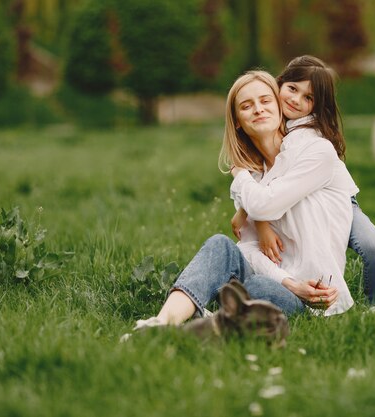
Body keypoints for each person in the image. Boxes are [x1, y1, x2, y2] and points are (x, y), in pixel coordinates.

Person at [131, 69, 357, 330]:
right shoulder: (253, 177)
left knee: (257, 286)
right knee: (221, 246)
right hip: (285, 284)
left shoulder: (315, 151)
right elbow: (248, 249)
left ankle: (208, 319)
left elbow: (264, 205)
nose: (258, 109)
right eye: (246, 106)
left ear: (280, 107)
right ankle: (160, 325)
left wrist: (238, 173)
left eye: (265, 101)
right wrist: (287, 281)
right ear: (238, 121)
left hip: (314, 299)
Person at [231, 56, 375, 307]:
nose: (295, 100)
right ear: (279, 84)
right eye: (292, 89)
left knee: (374, 246)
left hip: (337, 199)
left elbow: (275, 185)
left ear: (316, 106)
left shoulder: (307, 133)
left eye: (308, 98)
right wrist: (252, 216)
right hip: (299, 199)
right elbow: (270, 179)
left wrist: (256, 216)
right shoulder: (272, 118)